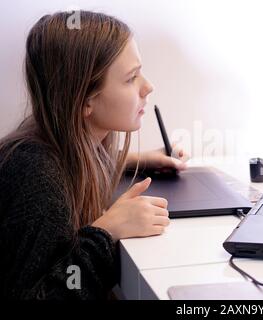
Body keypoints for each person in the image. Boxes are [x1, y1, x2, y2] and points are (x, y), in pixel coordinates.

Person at [0, 10, 187, 299]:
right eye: (131, 78)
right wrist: (106, 232)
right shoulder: (35, 175)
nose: (148, 87)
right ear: (85, 100)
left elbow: (70, 161)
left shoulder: (54, 150)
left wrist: (136, 159)